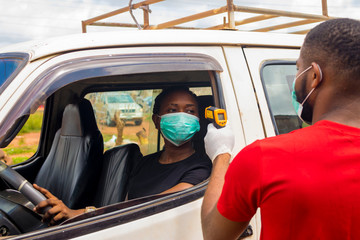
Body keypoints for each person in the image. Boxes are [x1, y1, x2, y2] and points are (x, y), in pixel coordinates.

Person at [201, 18, 360, 240]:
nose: (296, 78)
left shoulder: (265, 157)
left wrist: (220, 156)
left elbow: (214, 234)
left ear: (314, 75)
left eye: (298, 69)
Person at [33, 86, 212, 225]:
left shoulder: (201, 167)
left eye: (190, 112)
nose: (182, 117)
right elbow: (122, 205)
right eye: (172, 110)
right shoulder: (145, 162)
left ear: (198, 121)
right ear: (157, 121)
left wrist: (77, 213)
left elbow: (150, 206)